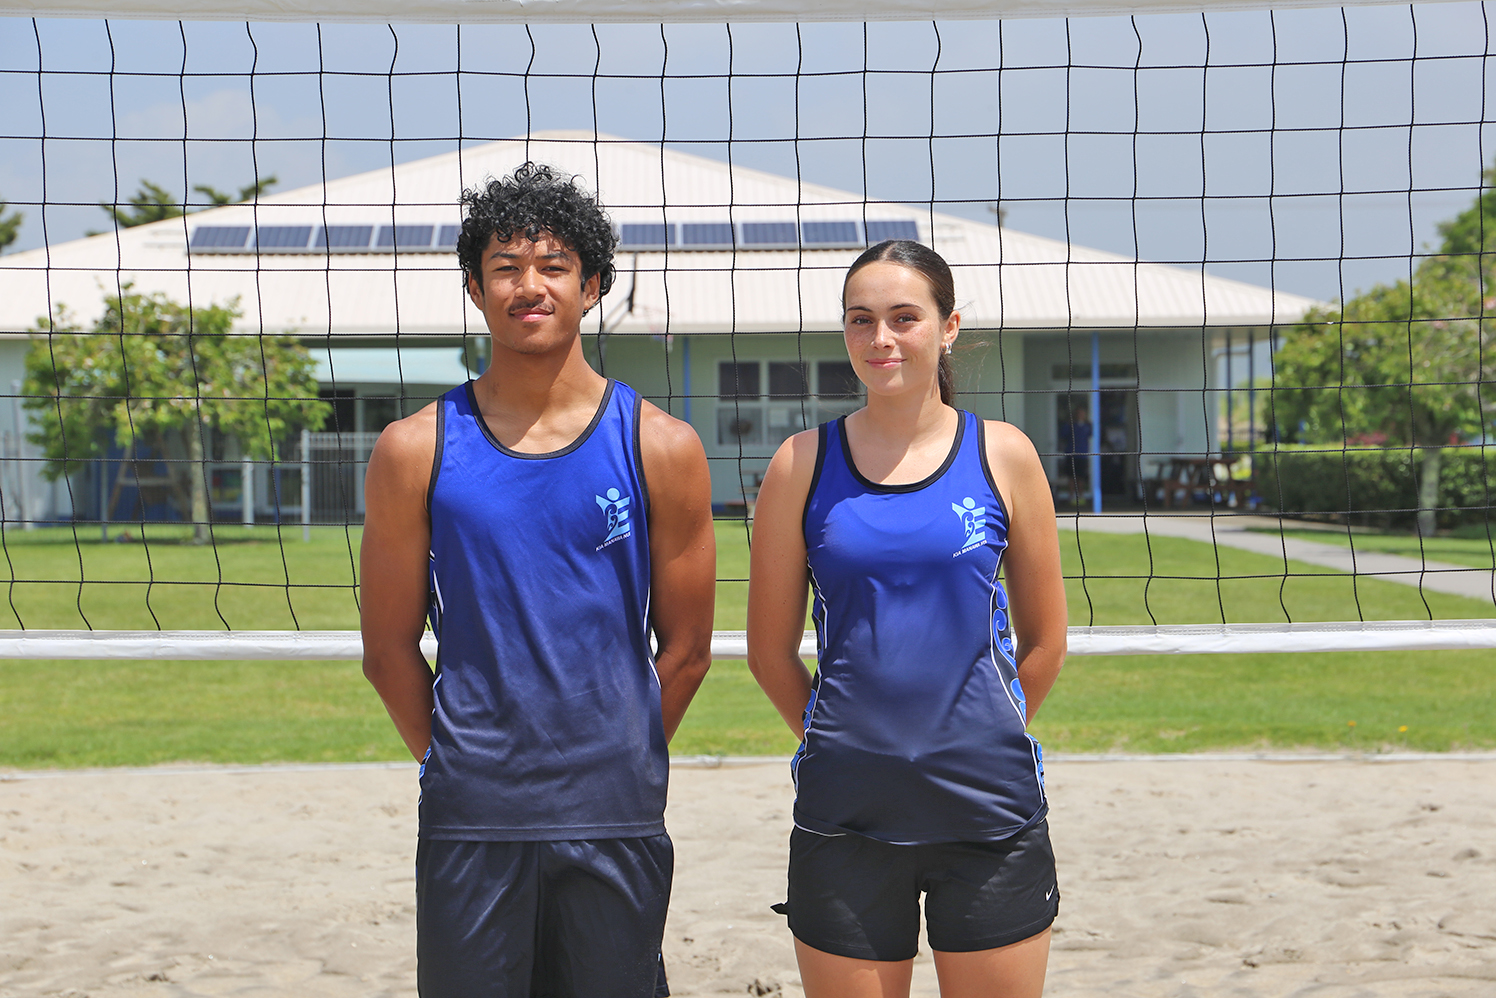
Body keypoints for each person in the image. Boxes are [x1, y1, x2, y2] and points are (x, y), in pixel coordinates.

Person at [359, 162, 716, 998]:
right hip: (473, 814)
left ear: (590, 287)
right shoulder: (414, 448)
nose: (530, 286)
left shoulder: (662, 446)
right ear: (475, 289)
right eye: (505, 267)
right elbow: (387, 652)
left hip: (615, 811)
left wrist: (619, 754)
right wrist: (457, 763)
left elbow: (689, 650)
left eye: (553, 265)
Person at [746, 239, 1068, 998]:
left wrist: (984, 729)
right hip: (846, 814)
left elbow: (1047, 640)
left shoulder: (1004, 454)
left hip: (988, 811)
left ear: (948, 327)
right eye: (861, 319)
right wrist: (841, 739)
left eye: (903, 317)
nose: (880, 338)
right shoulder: (800, 464)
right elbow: (769, 654)